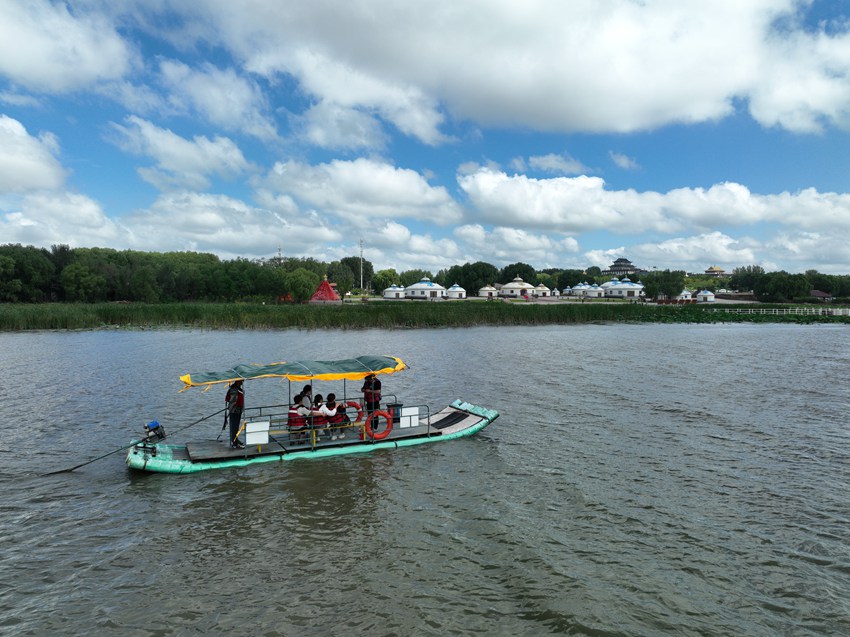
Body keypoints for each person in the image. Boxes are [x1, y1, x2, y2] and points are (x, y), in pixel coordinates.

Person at [225, 380, 245, 449]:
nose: (242, 382)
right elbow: (233, 401)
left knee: (236, 427)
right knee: (234, 427)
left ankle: (235, 440)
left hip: (238, 410)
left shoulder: (238, 389)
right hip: (234, 411)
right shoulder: (234, 390)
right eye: (241, 381)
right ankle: (234, 442)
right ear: (237, 382)